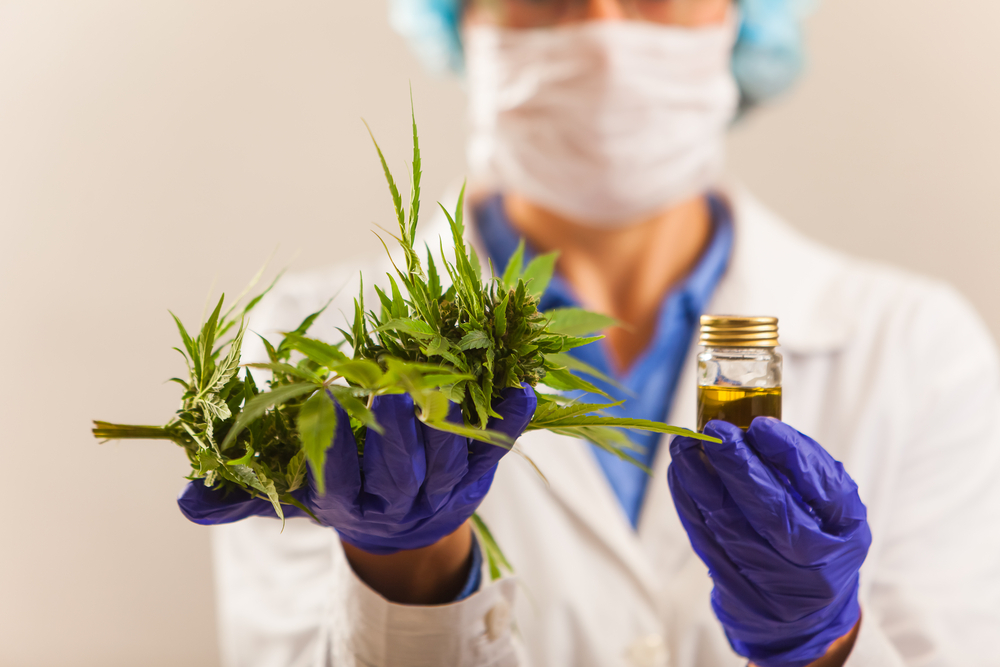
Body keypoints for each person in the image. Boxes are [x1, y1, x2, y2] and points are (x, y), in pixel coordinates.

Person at [179, 1, 1000, 665]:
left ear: (741, 17)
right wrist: (404, 576)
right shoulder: (300, 344)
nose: (604, 29)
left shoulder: (919, 351)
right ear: (461, 21)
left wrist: (829, 648)